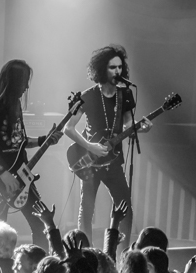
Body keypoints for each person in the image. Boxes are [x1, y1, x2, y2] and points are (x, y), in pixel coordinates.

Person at [64, 45, 151, 244]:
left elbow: (129, 125)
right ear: (102, 69)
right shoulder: (89, 96)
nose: (117, 72)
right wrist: (90, 147)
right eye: (112, 67)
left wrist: (140, 128)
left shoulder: (125, 94)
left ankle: (121, 254)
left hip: (113, 161)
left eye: (120, 67)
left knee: (125, 207)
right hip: (90, 161)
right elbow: (68, 128)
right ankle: (84, 252)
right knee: (87, 210)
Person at [0, 59, 63, 249]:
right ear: (12, 81)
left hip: (23, 177)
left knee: (40, 224)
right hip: (0, 180)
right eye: (23, 82)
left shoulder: (15, 105)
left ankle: (38, 272)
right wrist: (3, 174)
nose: (26, 87)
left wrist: (43, 140)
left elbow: (19, 140)